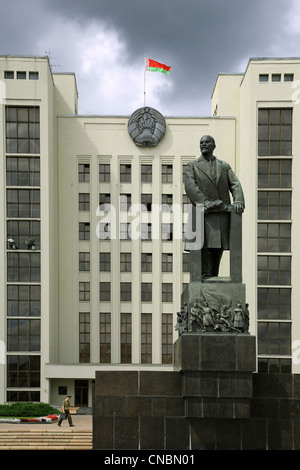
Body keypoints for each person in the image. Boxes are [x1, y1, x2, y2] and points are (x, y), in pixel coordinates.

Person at [185, 135, 245, 279]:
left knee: (219, 245)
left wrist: (239, 200)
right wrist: (204, 202)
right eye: (201, 142)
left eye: (207, 142)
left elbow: (235, 184)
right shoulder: (192, 165)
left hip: (221, 213)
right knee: (204, 244)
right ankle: (206, 273)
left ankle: (214, 273)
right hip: (203, 213)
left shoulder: (223, 165)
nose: (203, 144)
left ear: (214, 145)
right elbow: (190, 186)